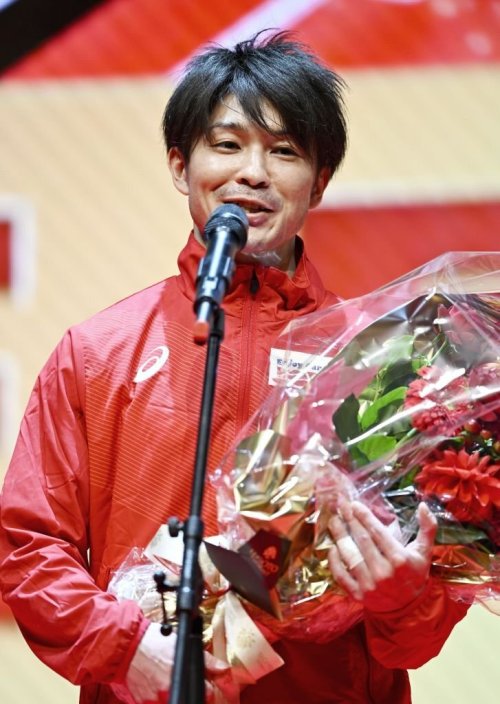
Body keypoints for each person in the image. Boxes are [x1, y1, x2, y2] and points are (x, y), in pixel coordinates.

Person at [0, 31, 468, 704]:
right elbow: (30, 546)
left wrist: (407, 598)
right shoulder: (96, 353)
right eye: (227, 145)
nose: (253, 172)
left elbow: (416, 636)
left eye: (284, 151)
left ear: (320, 181)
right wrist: (126, 648)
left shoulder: (385, 364)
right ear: (178, 166)